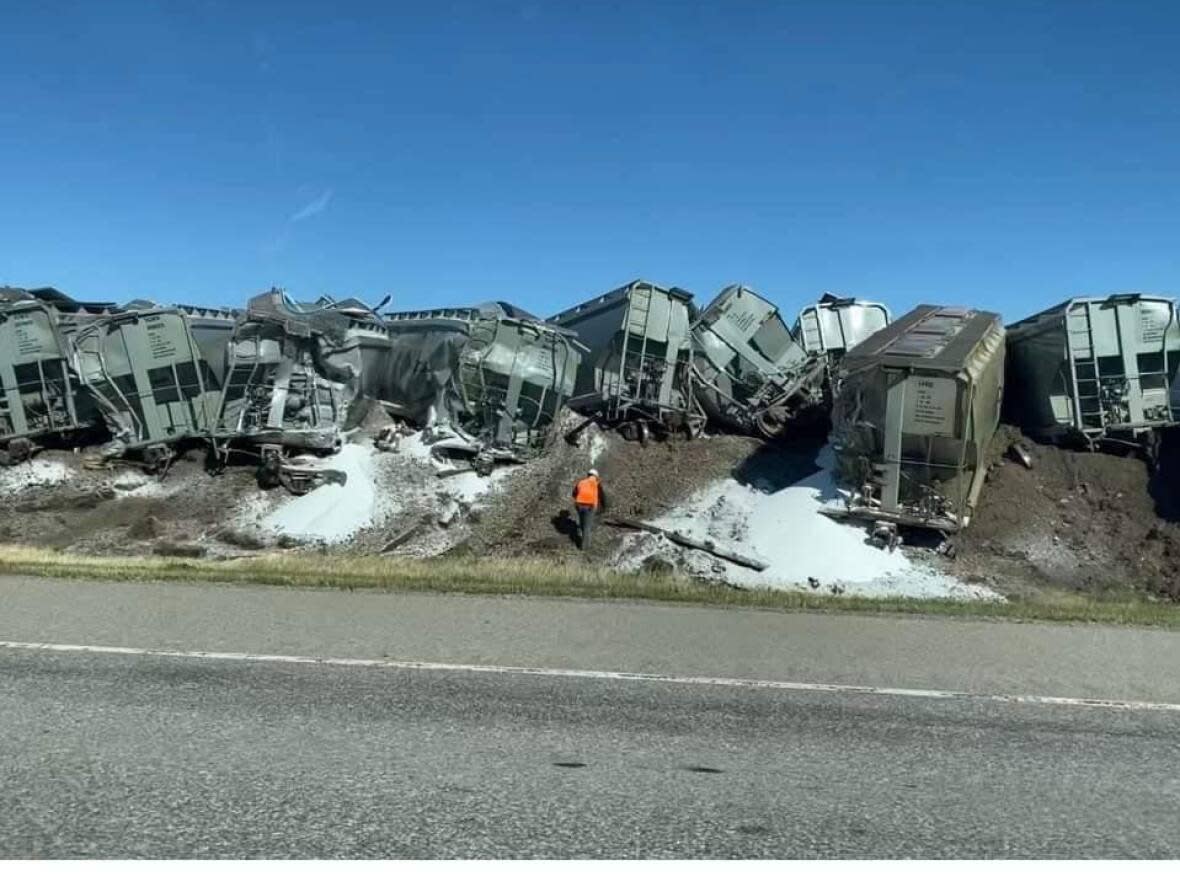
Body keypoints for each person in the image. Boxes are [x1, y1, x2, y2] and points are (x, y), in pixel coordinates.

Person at [571, 467, 607, 550]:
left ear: (588, 475)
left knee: (583, 524)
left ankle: (583, 542)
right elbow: (602, 497)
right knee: (587, 527)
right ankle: (585, 548)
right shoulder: (596, 483)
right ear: (596, 476)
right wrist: (604, 507)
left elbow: (574, 494)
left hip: (579, 505)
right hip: (590, 507)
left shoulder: (581, 482)